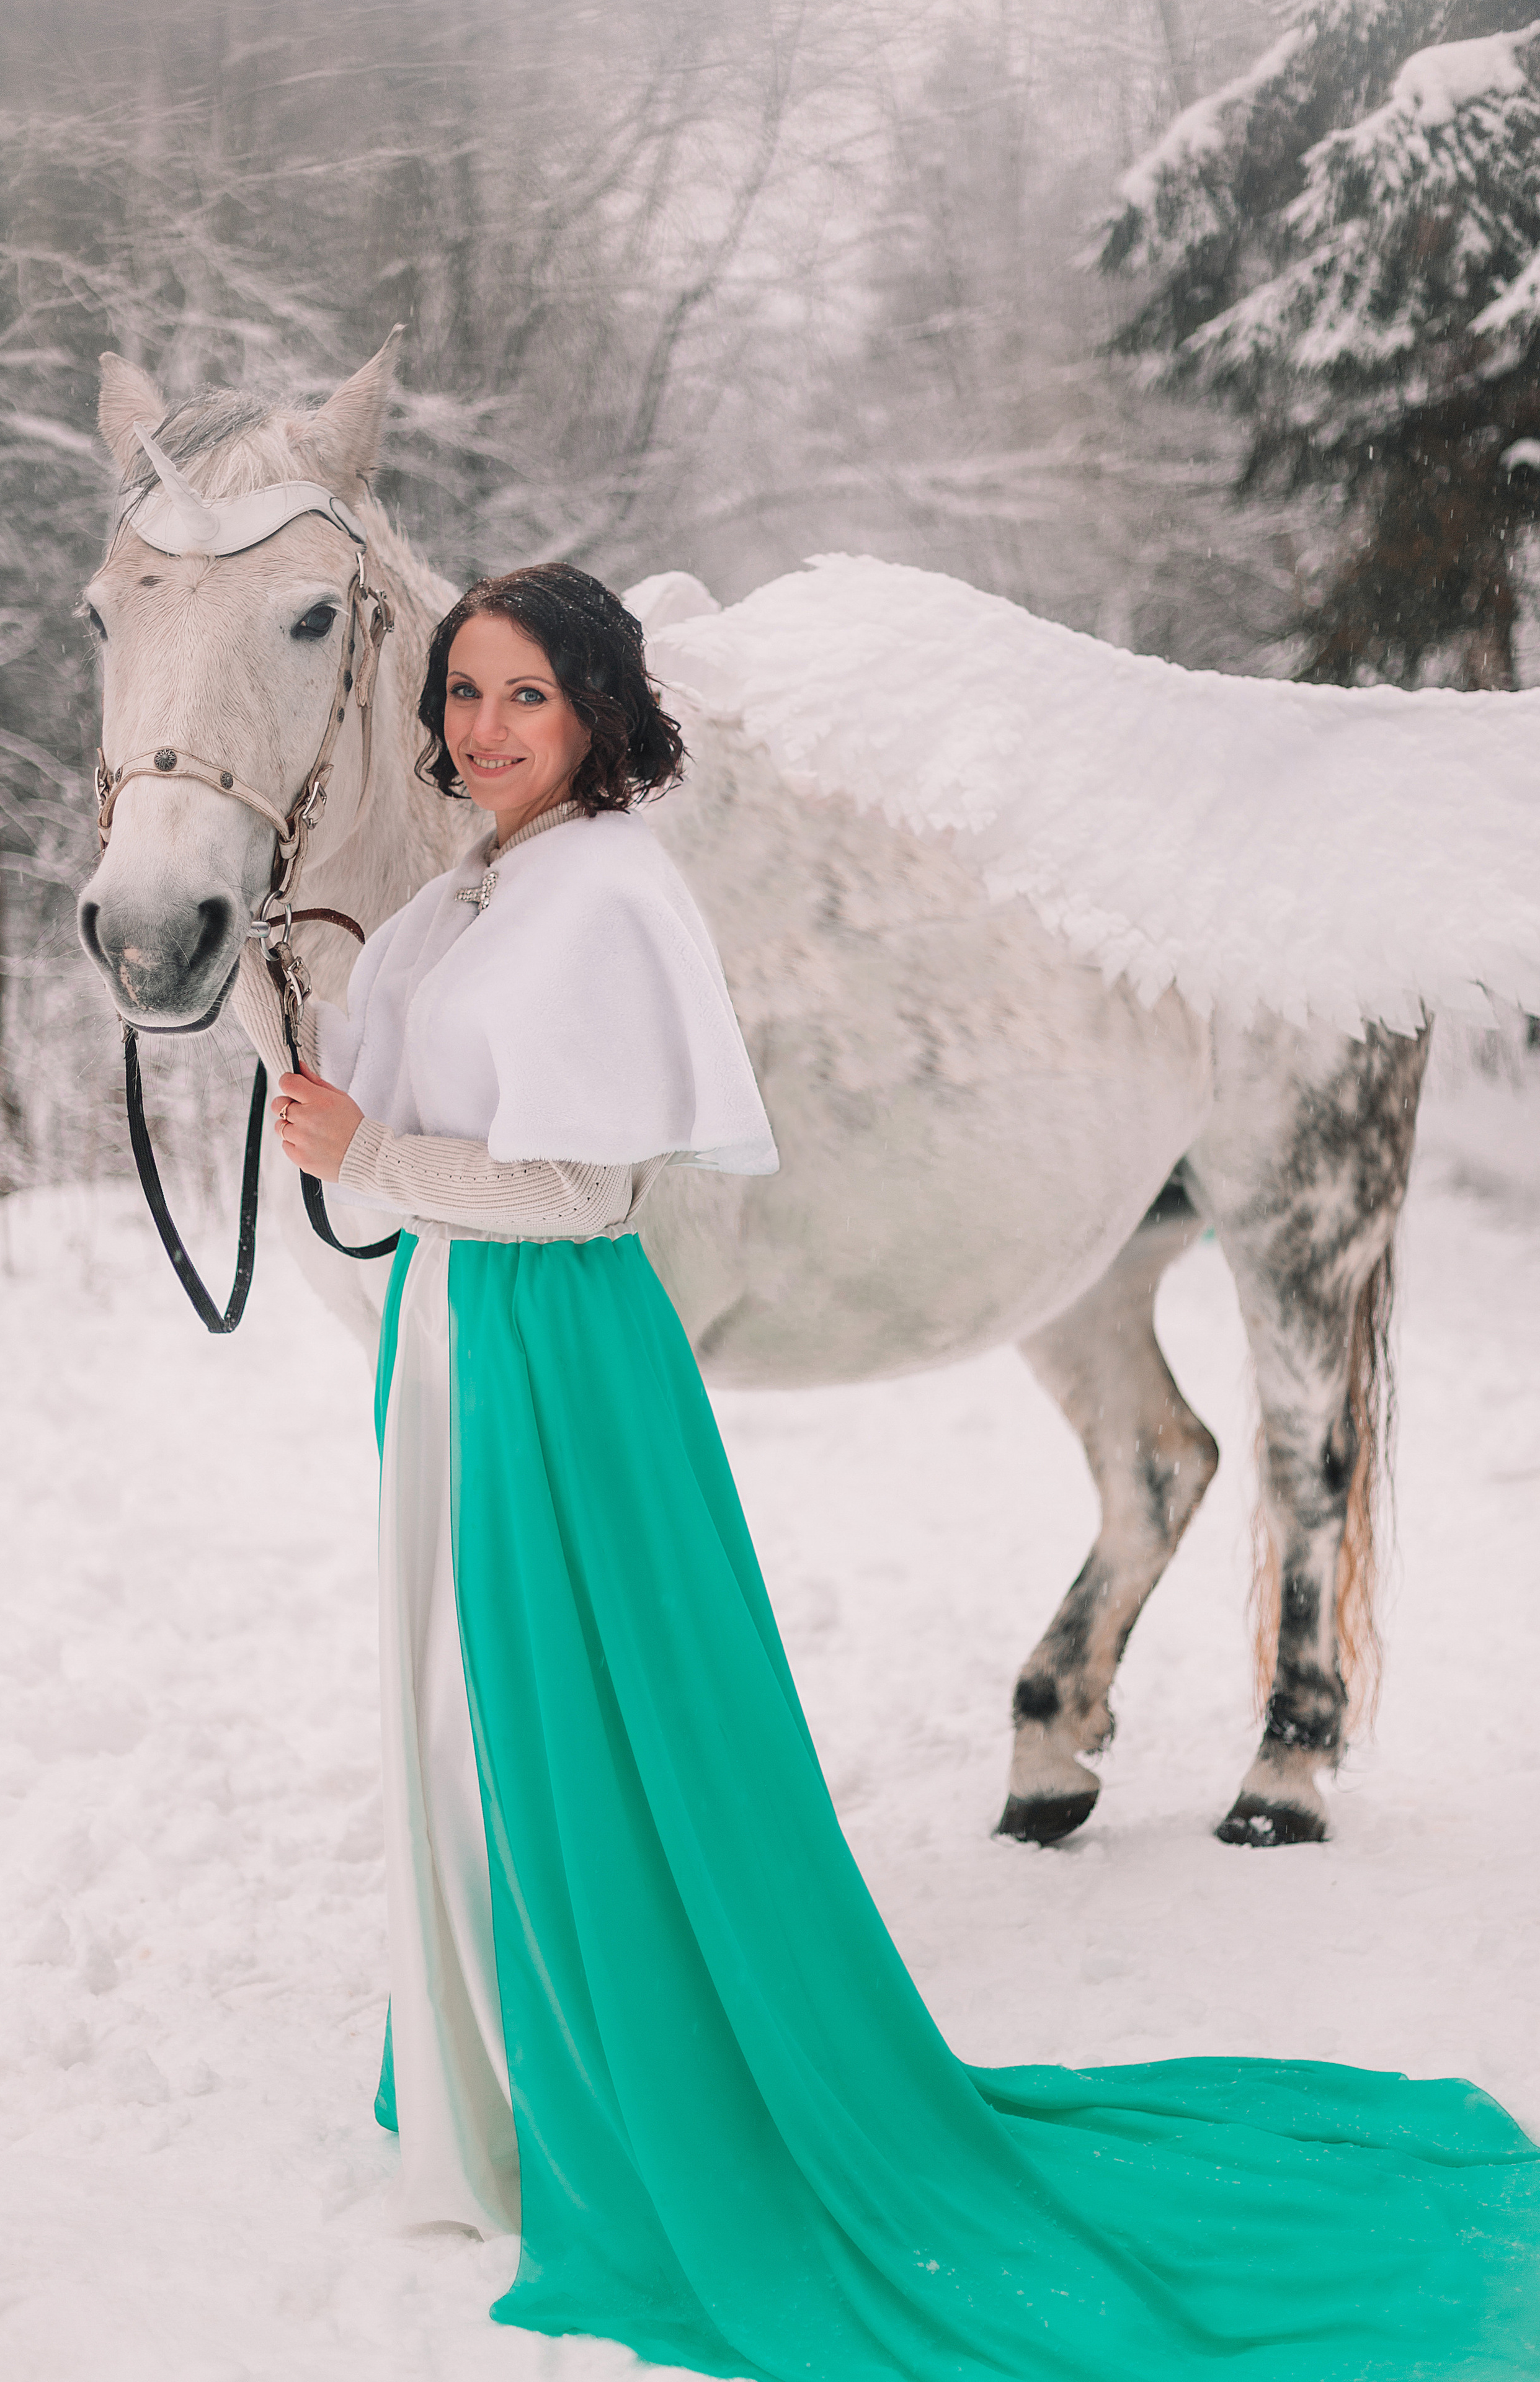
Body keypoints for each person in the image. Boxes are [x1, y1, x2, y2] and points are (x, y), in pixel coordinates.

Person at [233, 562, 1539, 2382]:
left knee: (580, 1718)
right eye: (464, 692)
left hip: (548, 1336)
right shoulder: (467, 889)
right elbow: (378, 1109)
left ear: (600, 707)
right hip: (458, 1339)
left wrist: (374, 1152)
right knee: (480, 1715)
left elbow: (589, 1191)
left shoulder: (606, 886)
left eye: (527, 692)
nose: (486, 726)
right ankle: (531, 2055)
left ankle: (647, 2088)